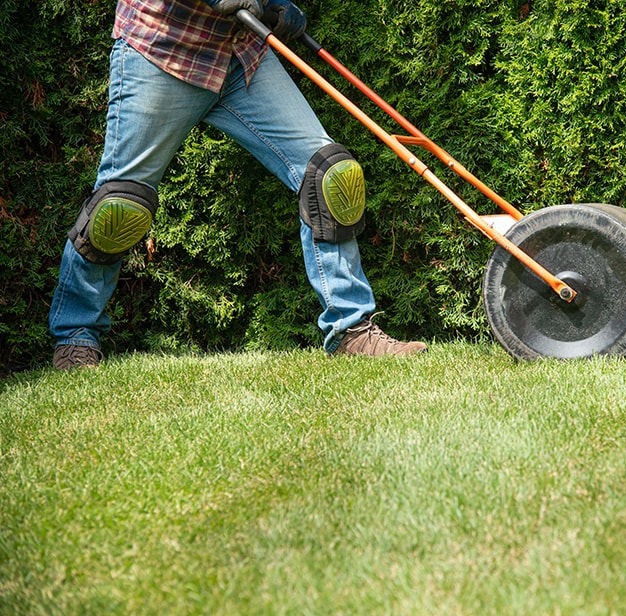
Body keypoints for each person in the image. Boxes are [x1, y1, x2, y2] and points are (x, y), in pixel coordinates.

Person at [49, 0, 428, 370]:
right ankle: (75, 336)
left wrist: (275, 4)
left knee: (330, 176)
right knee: (118, 208)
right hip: (162, 52)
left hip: (241, 54)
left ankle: (352, 331)